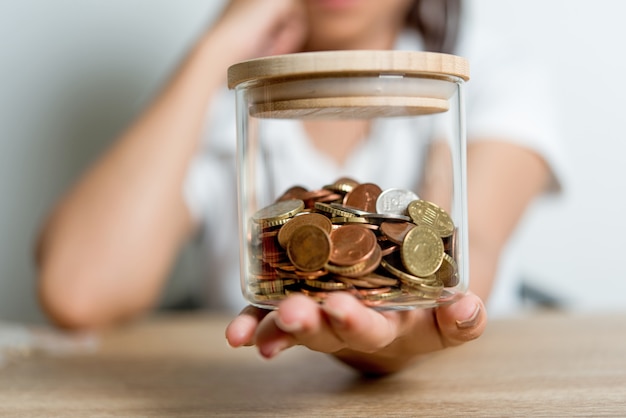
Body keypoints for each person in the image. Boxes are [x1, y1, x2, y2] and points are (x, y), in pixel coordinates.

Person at [35, 0, 560, 375]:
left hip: (473, 386)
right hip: (257, 396)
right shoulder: (218, 102)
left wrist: (397, 336)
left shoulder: (487, 71)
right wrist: (218, 43)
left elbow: (475, 253)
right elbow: (77, 290)